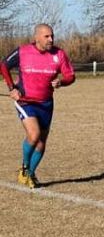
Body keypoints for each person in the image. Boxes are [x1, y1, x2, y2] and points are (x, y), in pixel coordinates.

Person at [1, 23, 75, 188]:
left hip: (46, 103)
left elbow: (71, 76)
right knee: (33, 135)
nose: (50, 39)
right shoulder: (23, 51)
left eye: (52, 36)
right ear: (37, 37)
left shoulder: (59, 54)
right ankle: (25, 168)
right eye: (46, 36)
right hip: (25, 101)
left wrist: (61, 82)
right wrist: (12, 88)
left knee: (41, 142)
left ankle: (30, 174)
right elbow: (3, 65)